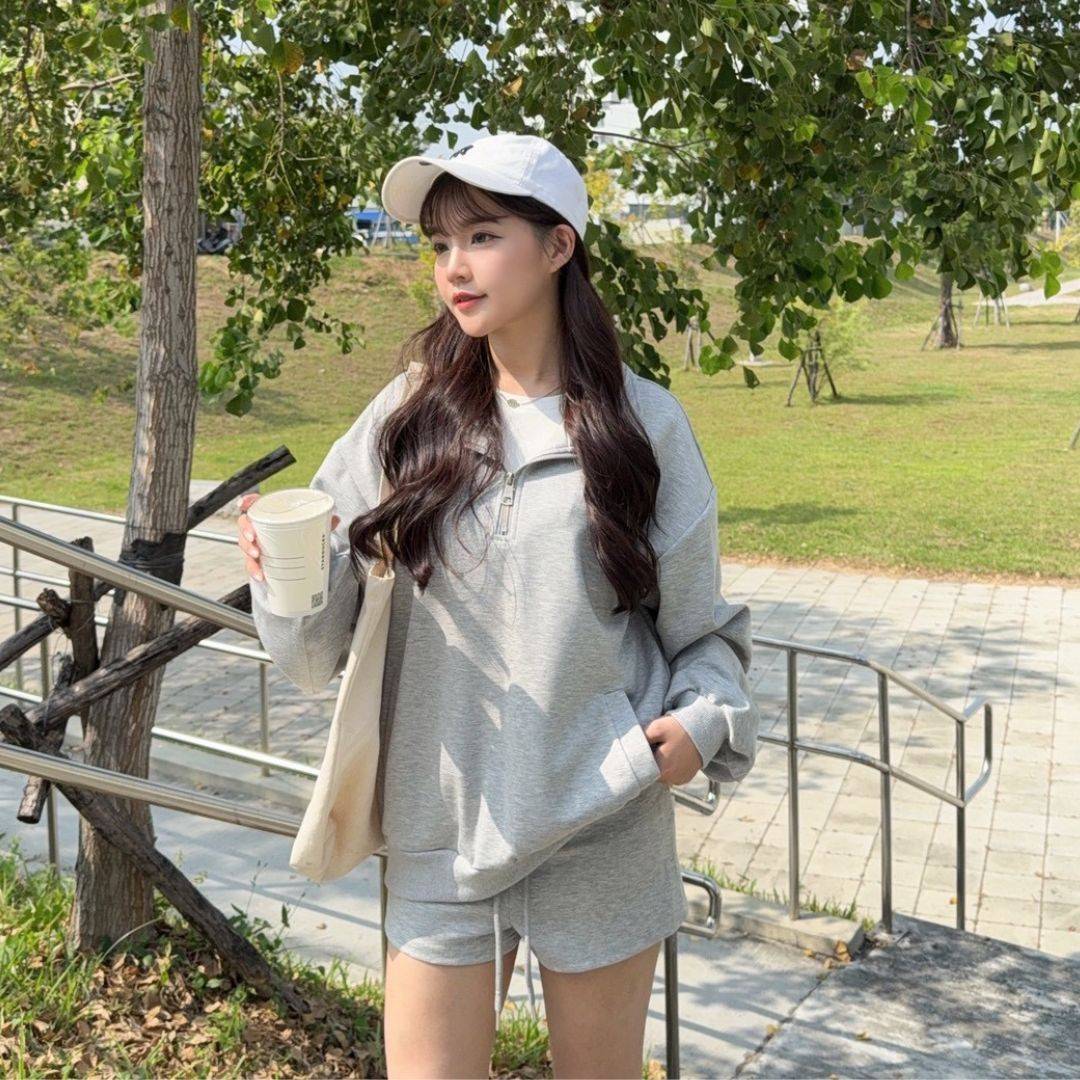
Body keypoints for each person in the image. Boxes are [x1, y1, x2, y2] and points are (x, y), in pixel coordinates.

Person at [237, 132, 760, 1079]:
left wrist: (701, 722)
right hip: (442, 832)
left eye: (482, 236)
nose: (453, 267)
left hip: (601, 823)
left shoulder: (644, 426)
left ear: (559, 246)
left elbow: (703, 633)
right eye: (440, 244)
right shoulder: (406, 418)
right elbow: (315, 655)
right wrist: (286, 574)